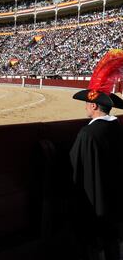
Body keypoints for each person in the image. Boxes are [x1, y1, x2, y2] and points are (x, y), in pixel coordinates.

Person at [69, 87, 123, 259]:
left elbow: (75, 167)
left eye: (87, 103)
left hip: (94, 200)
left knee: (93, 242)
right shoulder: (117, 127)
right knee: (112, 242)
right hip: (116, 198)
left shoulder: (88, 133)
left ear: (93, 106)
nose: (85, 106)